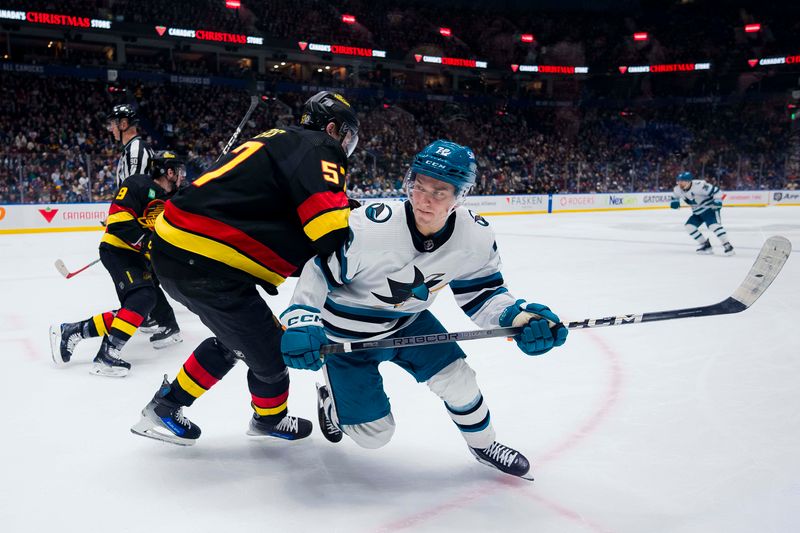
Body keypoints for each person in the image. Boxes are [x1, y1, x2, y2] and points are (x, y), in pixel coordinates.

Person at [278, 140, 568, 480]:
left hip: (408, 323)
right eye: (418, 186)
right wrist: (302, 319)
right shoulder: (370, 227)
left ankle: (484, 445)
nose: (423, 199)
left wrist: (519, 318)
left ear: (460, 196)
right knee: (374, 437)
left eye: (439, 191)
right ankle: (331, 398)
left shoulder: (473, 236)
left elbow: (483, 293)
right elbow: (319, 270)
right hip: (346, 335)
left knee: (459, 379)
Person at [130, 91, 361, 446]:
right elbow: (329, 234)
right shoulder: (320, 147)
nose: (345, 145)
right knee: (271, 357)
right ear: (331, 128)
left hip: (181, 253)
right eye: (345, 135)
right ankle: (266, 420)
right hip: (205, 264)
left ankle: (170, 405)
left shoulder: (278, 139)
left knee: (234, 338)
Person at [49, 151, 185, 377]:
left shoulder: (175, 198)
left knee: (138, 308)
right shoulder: (137, 184)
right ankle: (106, 356)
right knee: (144, 299)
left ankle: (71, 332)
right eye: (179, 171)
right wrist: (147, 245)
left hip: (138, 257)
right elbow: (118, 222)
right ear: (169, 171)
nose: (182, 176)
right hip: (118, 251)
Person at [671, 171, 734, 255]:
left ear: (689, 181)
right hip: (697, 212)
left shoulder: (699, 185)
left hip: (710, 210)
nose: (680, 183)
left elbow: (717, 191)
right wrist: (674, 201)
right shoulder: (677, 189)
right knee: (689, 227)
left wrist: (718, 201)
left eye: (682, 181)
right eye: (678, 181)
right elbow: (674, 196)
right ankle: (706, 245)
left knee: (714, 226)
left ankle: (727, 245)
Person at [107, 104, 153, 187]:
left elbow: (137, 191)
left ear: (123, 124)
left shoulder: (136, 150)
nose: (111, 129)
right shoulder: (133, 148)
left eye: (113, 124)